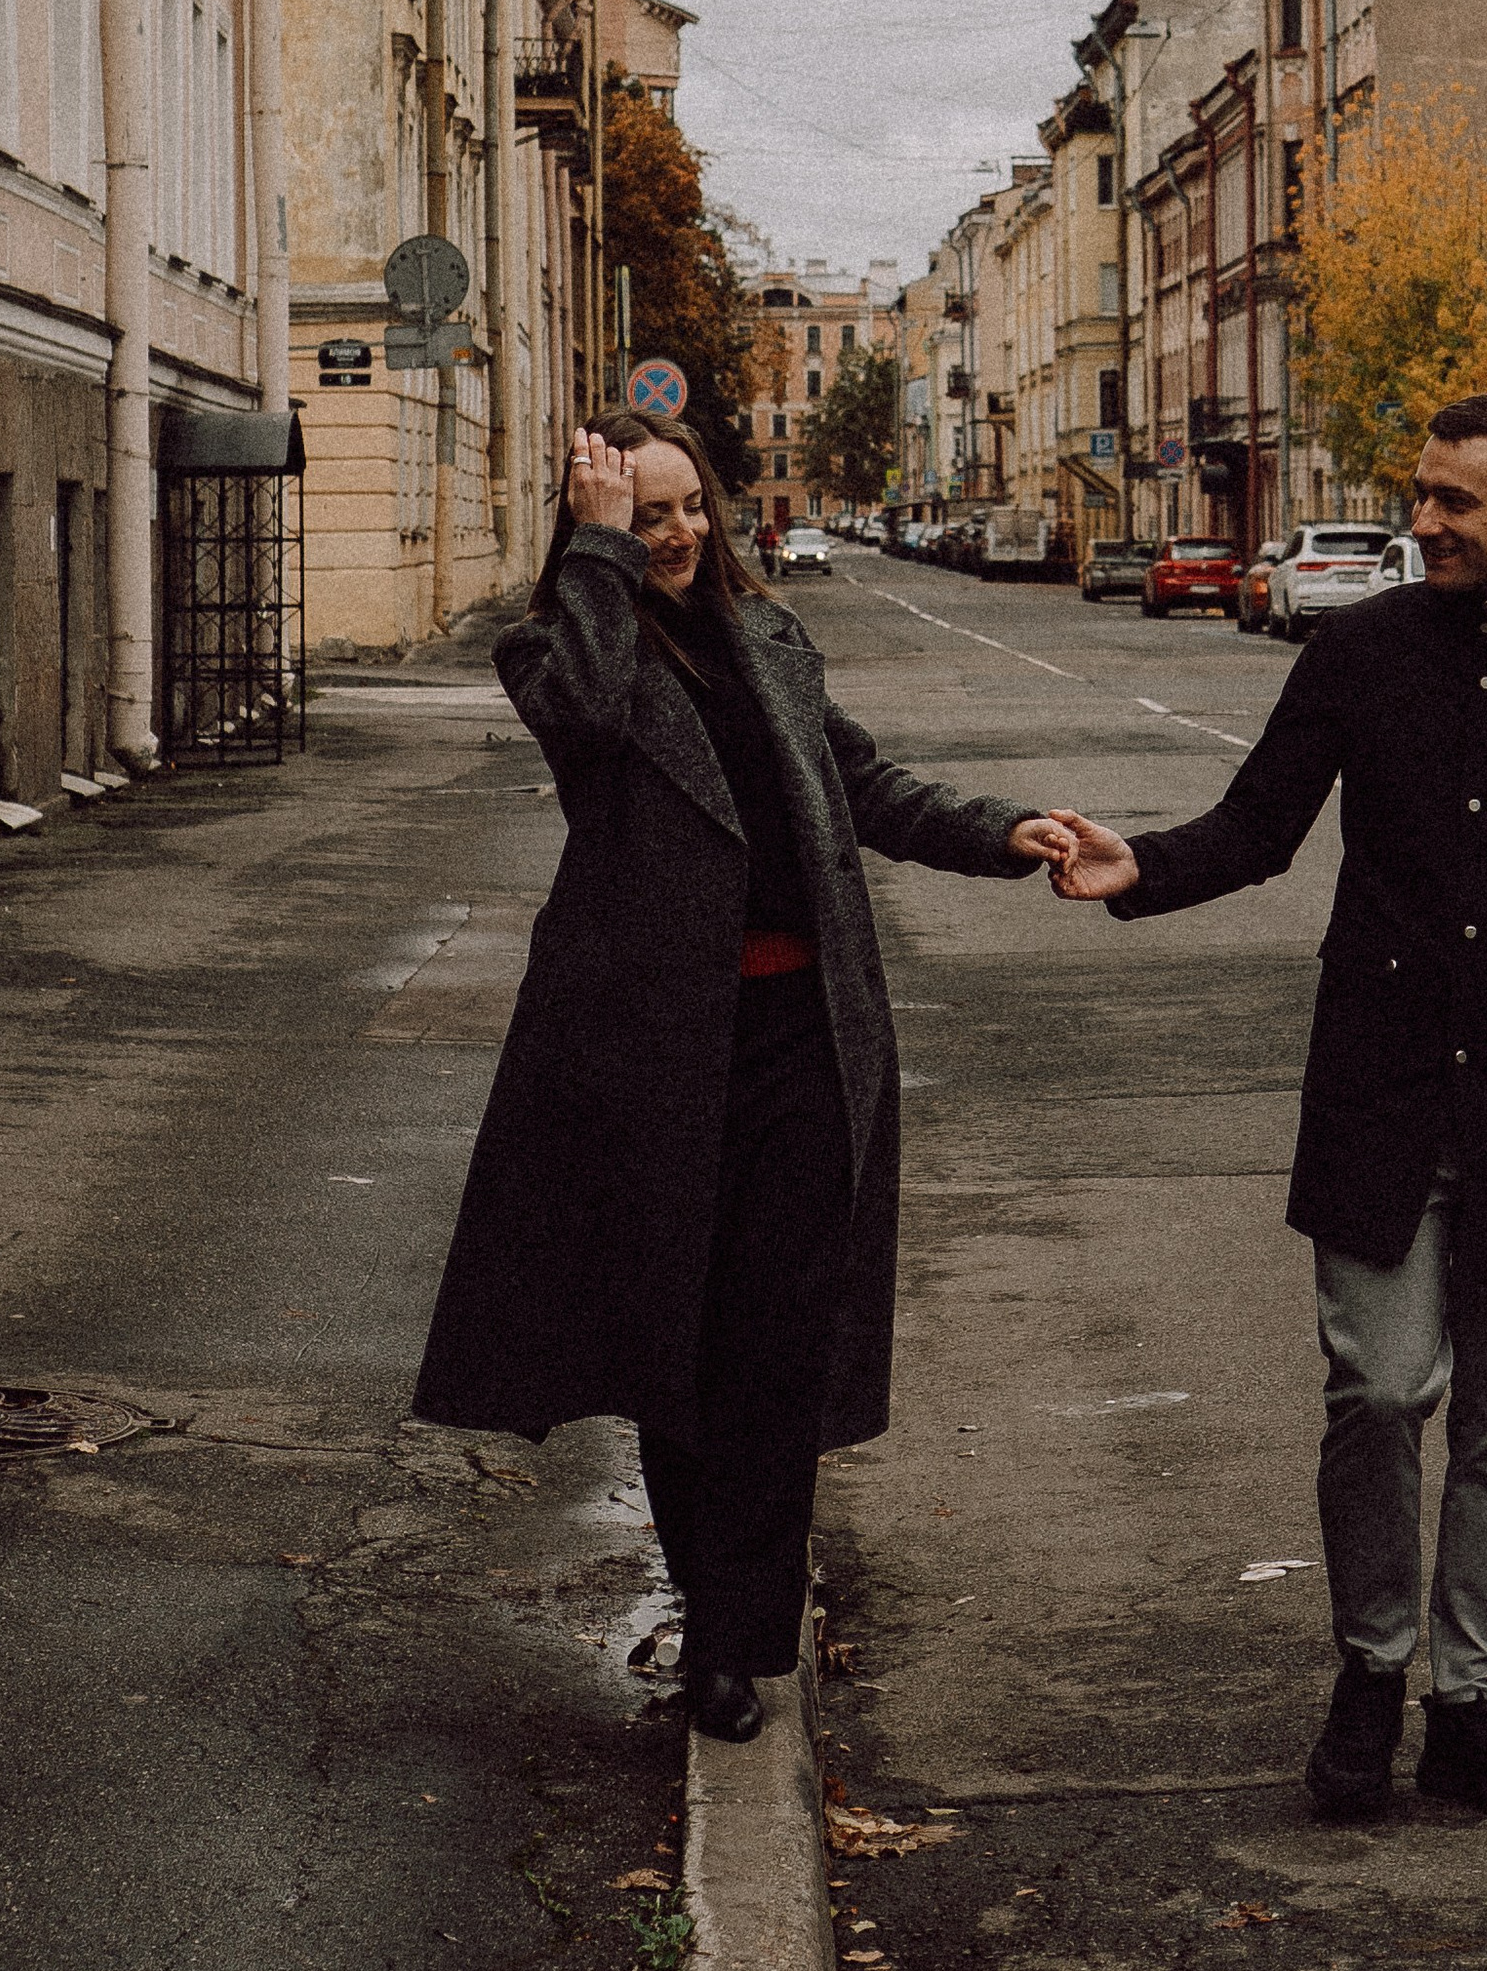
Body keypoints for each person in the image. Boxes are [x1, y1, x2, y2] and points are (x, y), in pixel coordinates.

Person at [1047, 392, 1487, 1824]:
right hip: (1379, 1088)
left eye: (1454, 502)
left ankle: (1469, 1705)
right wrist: (1144, 868)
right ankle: (1371, 1670)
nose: (1423, 521)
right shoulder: (1360, 651)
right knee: (1378, 1392)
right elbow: (1259, 826)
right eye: (1420, 495)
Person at [413, 413, 1073, 1742]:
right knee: (686, 1349)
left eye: (688, 507)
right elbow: (586, 720)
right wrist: (600, 555)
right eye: (644, 513)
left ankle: (739, 1635)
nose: (677, 532)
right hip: (659, 1053)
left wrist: (1004, 832)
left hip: (803, 1040)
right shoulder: (555, 648)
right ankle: (711, 1616)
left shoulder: (770, 637)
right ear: (594, 528)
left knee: (778, 1347)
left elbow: (863, 786)